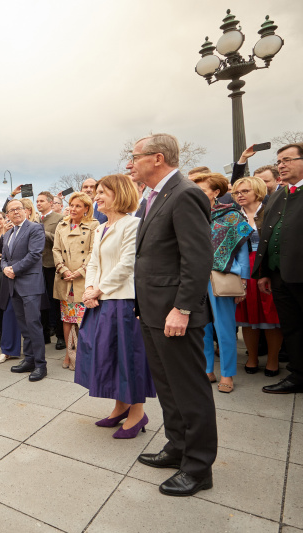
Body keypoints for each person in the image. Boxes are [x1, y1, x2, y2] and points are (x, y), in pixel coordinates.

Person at [129, 133, 216, 497]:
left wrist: (182, 308)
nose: (130, 164)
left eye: (135, 157)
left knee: (189, 390)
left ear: (158, 158)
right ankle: (177, 446)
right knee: (167, 386)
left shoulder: (184, 193)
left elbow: (197, 258)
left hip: (174, 313)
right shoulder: (152, 197)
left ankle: (198, 467)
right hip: (152, 310)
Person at [76, 175, 155, 439]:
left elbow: (127, 264)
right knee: (107, 356)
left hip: (122, 301)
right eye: (96, 192)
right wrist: (89, 290)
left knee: (127, 357)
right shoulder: (100, 228)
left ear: (118, 194)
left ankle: (137, 413)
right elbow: (93, 263)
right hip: (100, 301)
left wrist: (99, 289)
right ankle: (120, 406)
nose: (96, 197)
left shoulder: (133, 224)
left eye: (101, 192)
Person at [190, 172, 251, 393]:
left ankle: (227, 374)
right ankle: (207, 369)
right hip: (193, 278)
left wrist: (242, 281)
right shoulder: (189, 214)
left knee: (224, 328)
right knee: (201, 327)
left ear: (216, 192)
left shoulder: (233, 215)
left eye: (202, 189)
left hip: (222, 278)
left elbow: (243, 249)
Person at [253, 143, 303, 394]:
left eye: (287, 160)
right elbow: (268, 234)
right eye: (279, 161)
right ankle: (298, 375)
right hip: (280, 274)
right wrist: (264, 273)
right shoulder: (281, 195)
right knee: (291, 327)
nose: (281, 165)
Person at [233, 176, 283, 375]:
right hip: (242, 269)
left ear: (257, 191)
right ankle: (252, 357)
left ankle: (273, 360)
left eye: (245, 191)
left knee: (271, 315)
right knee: (247, 315)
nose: (240, 195)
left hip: (267, 267)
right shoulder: (234, 215)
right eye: (237, 192)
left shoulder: (271, 211)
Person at [0, 199, 47, 381]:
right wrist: (4, 268)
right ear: (8, 215)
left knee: (33, 325)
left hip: (30, 285)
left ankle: (41, 365)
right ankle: (29, 360)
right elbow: (4, 256)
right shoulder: (9, 233)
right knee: (24, 326)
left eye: (19, 209)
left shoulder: (35, 228)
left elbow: (34, 254)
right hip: (14, 286)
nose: (16, 212)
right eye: (12, 210)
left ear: (26, 211)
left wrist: (14, 269)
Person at [53, 192, 99, 369]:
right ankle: (68, 353)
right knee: (67, 319)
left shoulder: (94, 226)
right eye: (71, 205)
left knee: (84, 320)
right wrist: (63, 269)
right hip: (65, 279)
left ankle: (85, 355)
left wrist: (80, 271)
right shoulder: (62, 225)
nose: (73, 209)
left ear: (87, 208)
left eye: (78, 206)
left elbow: (93, 251)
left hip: (83, 279)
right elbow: (56, 249)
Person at [36, 191, 65, 350]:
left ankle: (61, 336)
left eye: (41, 201)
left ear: (50, 202)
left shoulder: (59, 219)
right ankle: (45, 333)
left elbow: (60, 241)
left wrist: (43, 233)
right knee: (42, 302)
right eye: (37, 201)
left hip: (52, 266)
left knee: (56, 301)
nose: (38, 203)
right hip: (37, 266)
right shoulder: (35, 220)